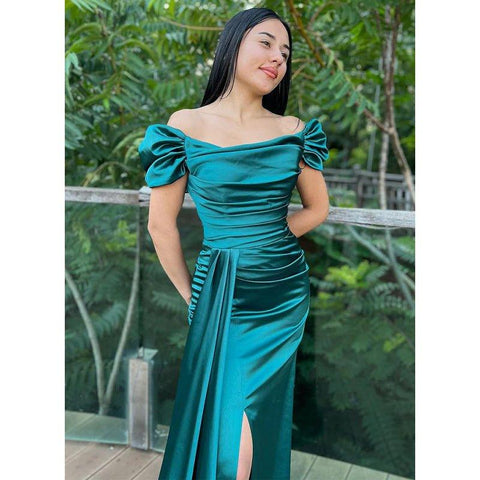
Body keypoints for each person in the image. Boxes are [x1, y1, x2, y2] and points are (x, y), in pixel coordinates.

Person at [138, 7, 329, 480]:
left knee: (255, 419)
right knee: (232, 441)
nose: (278, 57)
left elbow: (317, 209)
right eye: (266, 42)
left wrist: (269, 237)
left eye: (285, 51)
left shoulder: (294, 131)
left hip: (281, 293)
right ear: (233, 44)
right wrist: (192, 296)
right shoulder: (184, 125)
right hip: (219, 291)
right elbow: (160, 225)